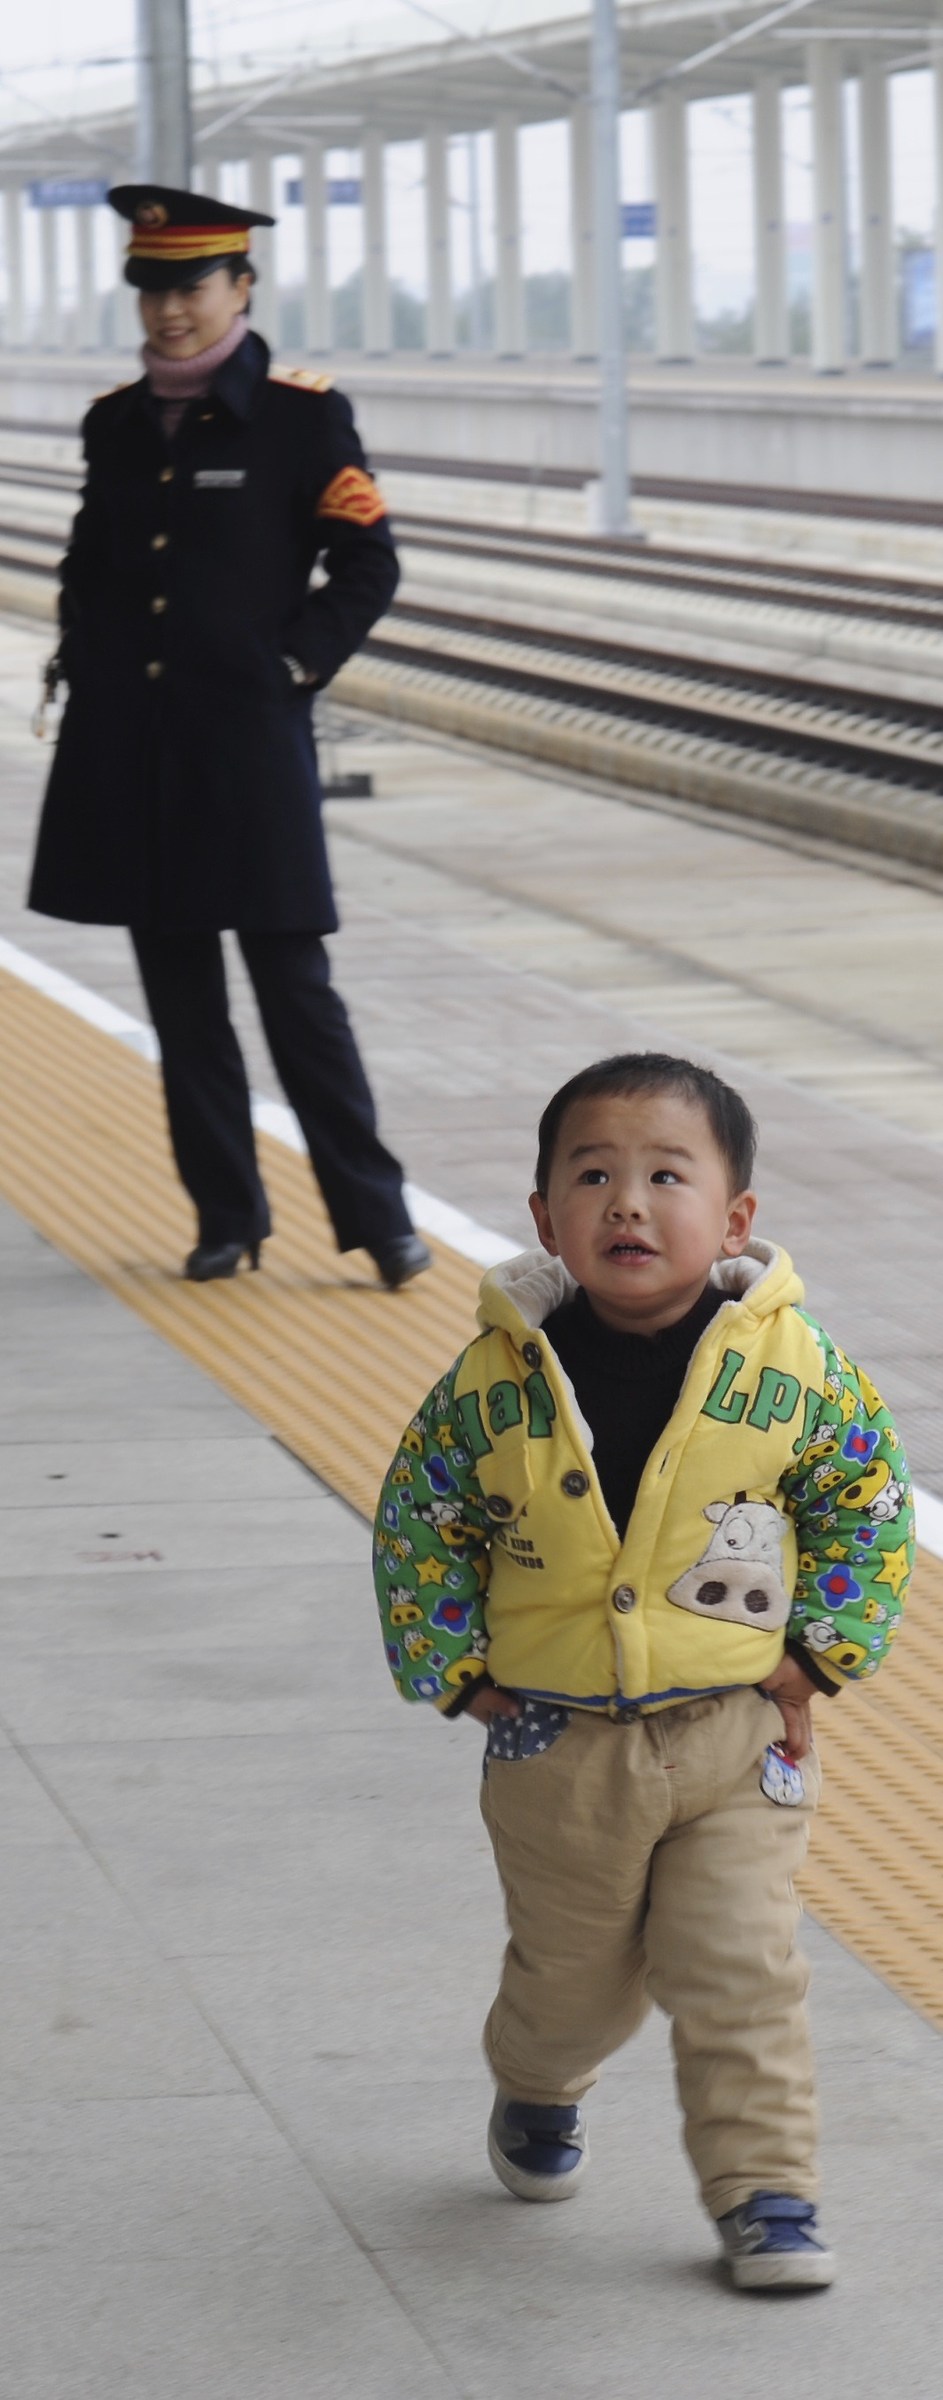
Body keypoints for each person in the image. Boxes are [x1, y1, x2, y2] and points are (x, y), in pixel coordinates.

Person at [373, 1050, 914, 2291]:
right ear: (545, 1217)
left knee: (741, 1970)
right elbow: (420, 1523)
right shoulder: (491, 1383)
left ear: (731, 1219)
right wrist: (454, 1667)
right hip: (556, 1747)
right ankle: (538, 2080)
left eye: (665, 1175)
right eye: (593, 1174)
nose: (627, 1202)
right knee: (576, 1986)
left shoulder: (792, 1371)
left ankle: (766, 2191)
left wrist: (818, 1657)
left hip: (733, 1738)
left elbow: (867, 1507)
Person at [28, 183, 430, 1290]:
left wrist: (291, 667)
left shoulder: (303, 417)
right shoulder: (115, 421)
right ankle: (225, 1216)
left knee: (295, 992)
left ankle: (378, 1216)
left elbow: (368, 562)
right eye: (151, 288)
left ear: (240, 287)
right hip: (134, 753)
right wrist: (90, 649)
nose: (170, 309)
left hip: (247, 754)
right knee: (180, 1000)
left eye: (191, 286)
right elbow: (91, 560)